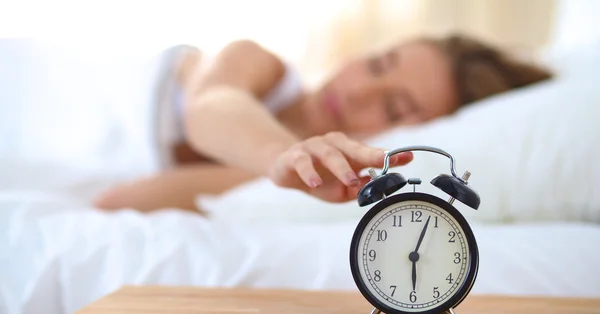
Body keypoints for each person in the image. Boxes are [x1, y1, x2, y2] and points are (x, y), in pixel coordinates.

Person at [93, 33, 553, 212]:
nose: (356, 92)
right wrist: (279, 155)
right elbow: (211, 106)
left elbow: (119, 202)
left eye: (394, 109)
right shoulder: (258, 64)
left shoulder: (303, 178)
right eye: (376, 64)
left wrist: (282, 166)